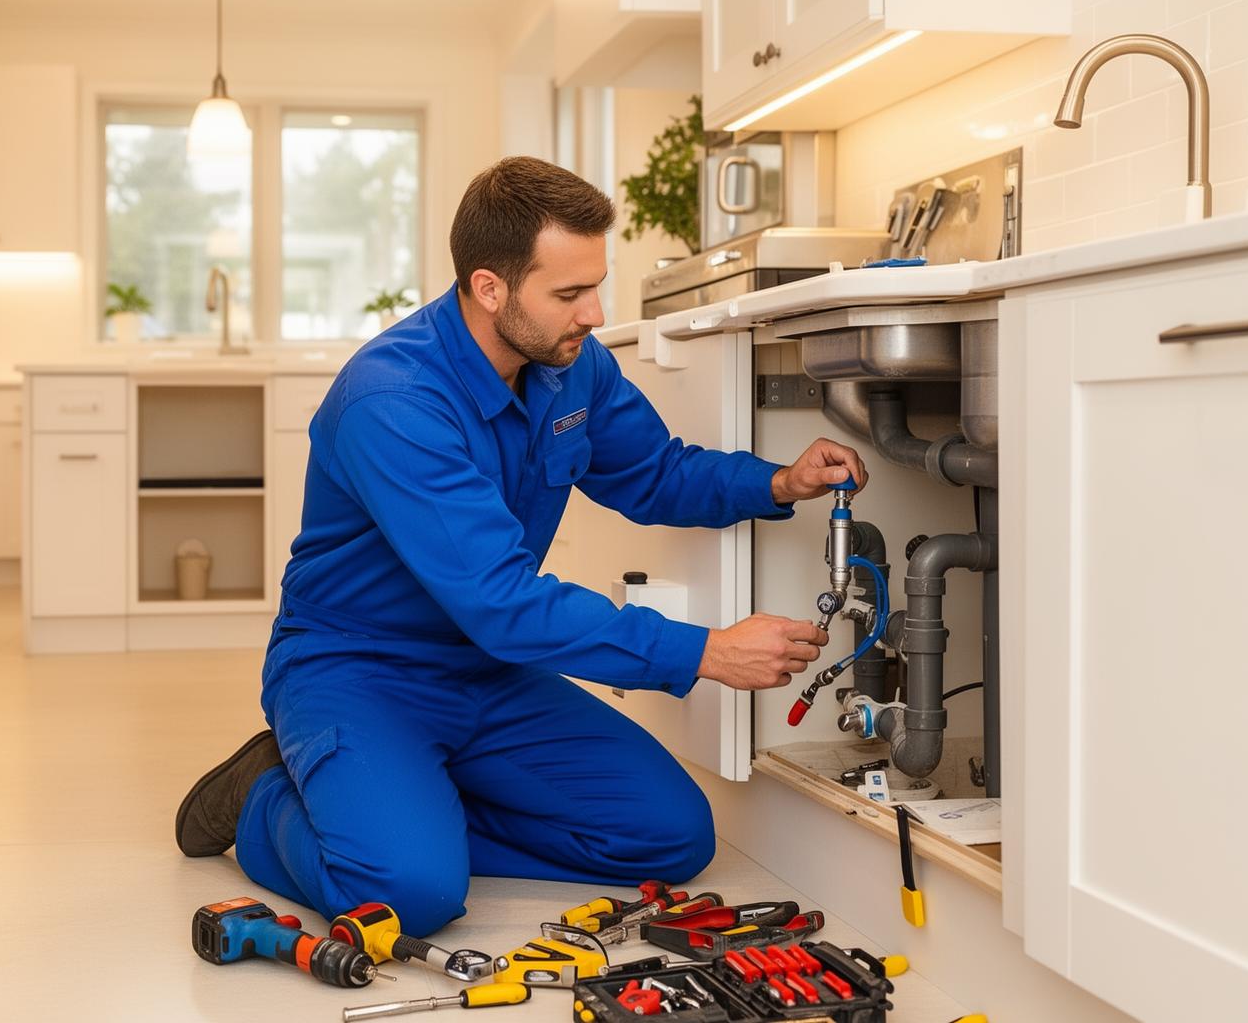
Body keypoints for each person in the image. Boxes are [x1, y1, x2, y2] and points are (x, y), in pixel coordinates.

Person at [175, 156, 869, 936]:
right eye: (569, 294)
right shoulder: (393, 402)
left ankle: (408, 811)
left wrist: (778, 482)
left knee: (672, 837)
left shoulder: (570, 366)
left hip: (484, 670)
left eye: (596, 285)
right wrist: (705, 651)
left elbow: (654, 472)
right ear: (489, 288)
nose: (595, 313)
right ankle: (264, 796)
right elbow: (501, 601)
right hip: (359, 670)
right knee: (407, 898)